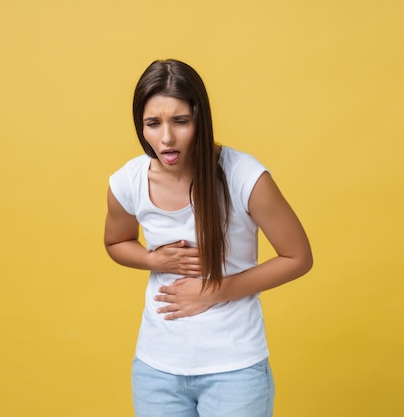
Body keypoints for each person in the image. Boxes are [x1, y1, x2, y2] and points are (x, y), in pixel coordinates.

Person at [104, 59, 313, 417]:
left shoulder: (244, 176)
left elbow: (298, 257)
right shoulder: (128, 181)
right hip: (156, 369)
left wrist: (215, 291)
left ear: (200, 120)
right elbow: (116, 242)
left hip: (234, 369)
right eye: (153, 124)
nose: (166, 138)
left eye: (180, 121)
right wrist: (154, 260)